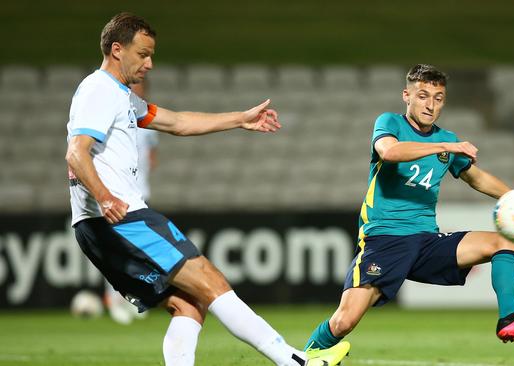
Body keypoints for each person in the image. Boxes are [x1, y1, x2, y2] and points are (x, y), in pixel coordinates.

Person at [65, 12, 349, 366]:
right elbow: (76, 153)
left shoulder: (122, 98)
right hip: (122, 219)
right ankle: (295, 362)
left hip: (99, 224)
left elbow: (178, 122)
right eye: (143, 54)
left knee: (189, 303)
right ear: (117, 49)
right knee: (211, 281)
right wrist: (105, 196)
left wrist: (239, 119)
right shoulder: (99, 90)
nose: (150, 64)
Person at [303, 64, 514, 352]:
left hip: (426, 240)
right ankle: (301, 359)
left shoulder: (446, 139)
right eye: (423, 96)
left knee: (502, 241)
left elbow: (477, 178)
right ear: (407, 96)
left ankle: (509, 318)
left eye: (438, 98)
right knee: (343, 322)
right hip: (385, 239)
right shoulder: (390, 123)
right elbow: (390, 152)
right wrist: (446, 149)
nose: (430, 105)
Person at [104, 80, 157, 325]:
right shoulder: (112, 114)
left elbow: (151, 157)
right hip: (118, 194)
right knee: (118, 248)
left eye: (141, 88)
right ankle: (115, 299)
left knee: (138, 250)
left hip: (140, 193)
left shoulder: (147, 122)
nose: (138, 90)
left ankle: (136, 296)